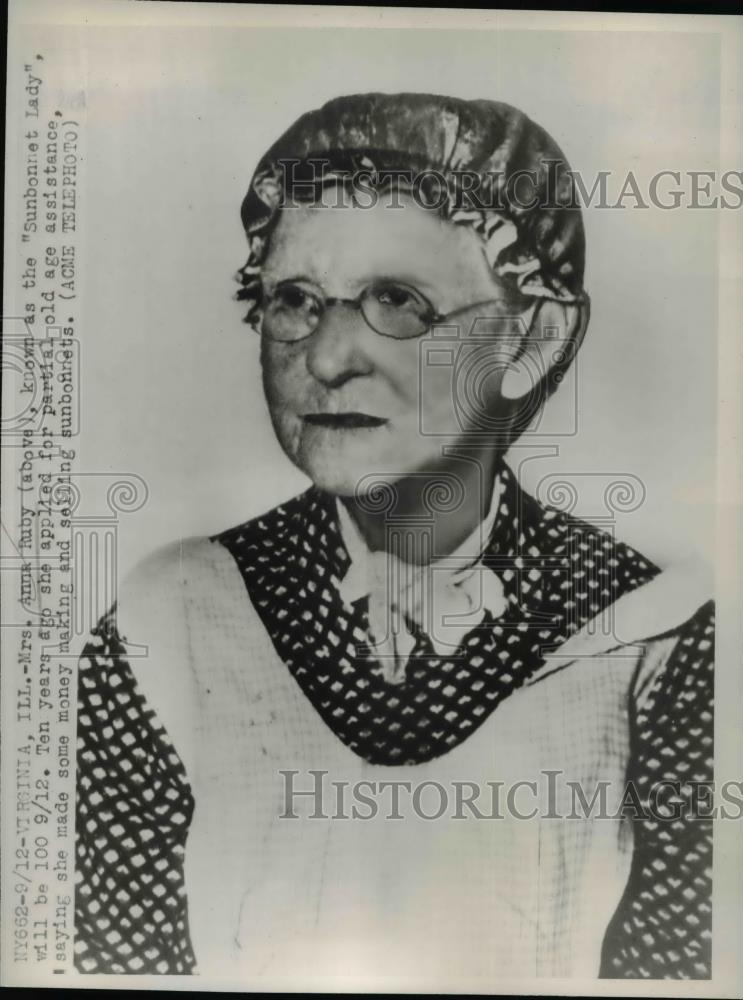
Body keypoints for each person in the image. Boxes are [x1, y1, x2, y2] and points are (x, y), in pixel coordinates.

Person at [74, 92, 714, 983]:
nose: (329, 357)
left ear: (533, 338)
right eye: (293, 299)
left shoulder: (655, 637)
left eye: (397, 301)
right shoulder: (168, 622)